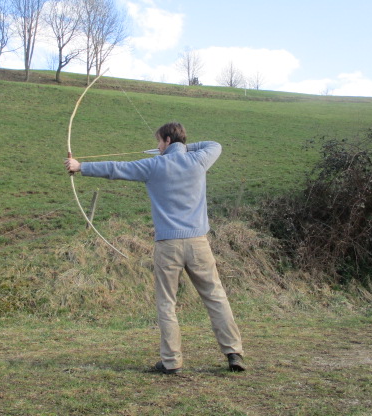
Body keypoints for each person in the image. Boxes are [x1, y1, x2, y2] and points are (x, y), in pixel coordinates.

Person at [65, 122, 245, 374]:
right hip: (198, 244)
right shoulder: (199, 160)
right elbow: (215, 144)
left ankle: (171, 362)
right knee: (215, 297)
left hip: (168, 246)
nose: (158, 146)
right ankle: (233, 353)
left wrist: (80, 166)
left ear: (168, 140)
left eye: (160, 141)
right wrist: (183, 148)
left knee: (166, 303)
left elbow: (117, 169)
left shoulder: (154, 165)